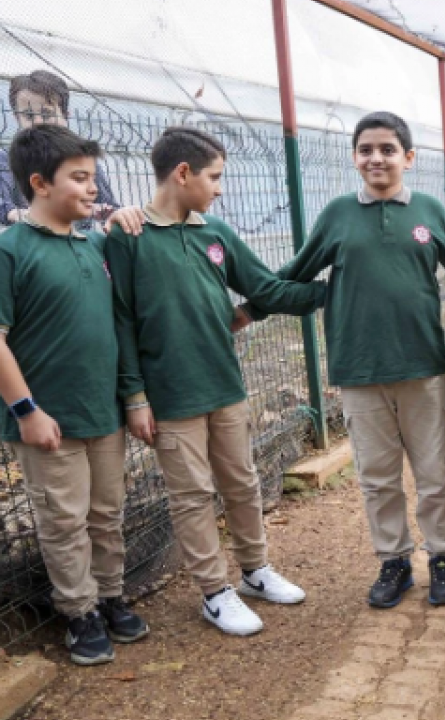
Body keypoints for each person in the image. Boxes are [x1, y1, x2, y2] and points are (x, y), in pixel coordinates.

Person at [106, 127, 325, 636]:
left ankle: (254, 571)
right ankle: (214, 592)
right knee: (191, 495)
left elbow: (266, 287)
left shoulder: (215, 233)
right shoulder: (128, 235)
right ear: (183, 173)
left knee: (243, 480)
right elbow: (121, 319)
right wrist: (135, 396)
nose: (219, 187)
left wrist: (330, 291)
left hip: (224, 384)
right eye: (214, 177)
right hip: (170, 394)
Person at [248, 112, 445, 610]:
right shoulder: (338, 215)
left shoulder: (430, 211)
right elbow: (296, 271)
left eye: (388, 149)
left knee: (434, 474)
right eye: (366, 149)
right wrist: (251, 308)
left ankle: (442, 558)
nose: (376, 158)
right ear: (355, 158)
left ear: (409, 158)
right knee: (377, 475)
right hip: (359, 368)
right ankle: (394, 562)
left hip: (423, 366)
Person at [0, 125, 146, 665]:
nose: (92, 187)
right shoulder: (11, 249)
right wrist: (26, 410)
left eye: (92, 176)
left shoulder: (94, 244)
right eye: (79, 178)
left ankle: (111, 596)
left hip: (100, 411)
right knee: (63, 521)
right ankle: (78, 612)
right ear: (39, 183)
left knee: (106, 513)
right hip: (46, 420)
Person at [1, 71, 118, 228]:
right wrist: (16, 213)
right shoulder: (7, 159)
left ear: (65, 116)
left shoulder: (84, 160)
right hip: (30, 245)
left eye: (46, 114)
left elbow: (109, 206)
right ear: (17, 118)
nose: (37, 122)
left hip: (75, 245)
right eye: (28, 115)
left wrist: (106, 211)